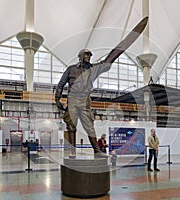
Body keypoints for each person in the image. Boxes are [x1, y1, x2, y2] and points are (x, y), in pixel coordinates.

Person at [55, 17, 148, 159]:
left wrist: (118, 50)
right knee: (71, 127)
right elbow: (61, 84)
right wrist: (57, 99)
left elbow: (107, 61)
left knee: (89, 126)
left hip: (85, 100)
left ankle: (97, 151)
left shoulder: (93, 69)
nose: (88, 57)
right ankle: (72, 152)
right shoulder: (71, 69)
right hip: (72, 100)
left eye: (89, 55)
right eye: (86, 55)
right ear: (80, 56)